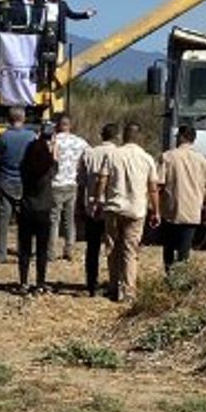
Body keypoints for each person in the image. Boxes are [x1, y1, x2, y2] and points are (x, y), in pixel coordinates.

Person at [96, 123, 160, 302]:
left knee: (113, 248)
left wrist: (98, 200)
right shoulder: (146, 158)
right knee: (130, 251)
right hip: (136, 210)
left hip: (114, 208)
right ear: (139, 137)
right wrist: (156, 211)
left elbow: (102, 180)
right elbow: (153, 188)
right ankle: (129, 291)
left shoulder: (113, 155)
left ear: (123, 136)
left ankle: (113, 286)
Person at [157, 125, 206, 273]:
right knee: (184, 251)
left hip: (170, 211)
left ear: (181, 137)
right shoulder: (203, 161)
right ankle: (180, 281)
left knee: (168, 248)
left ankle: (169, 277)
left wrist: (154, 209)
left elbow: (158, 185)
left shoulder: (167, 157)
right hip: (192, 213)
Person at [78, 122, 120, 297]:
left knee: (92, 246)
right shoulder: (119, 155)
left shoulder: (89, 153)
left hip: (92, 206)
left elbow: (80, 181)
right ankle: (114, 282)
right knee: (114, 246)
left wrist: (81, 204)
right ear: (116, 136)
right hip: (112, 205)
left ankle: (91, 283)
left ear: (101, 135)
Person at [0, 106, 36, 263]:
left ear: (8, 119)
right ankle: (24, 252)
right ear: (23, 119)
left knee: (3, 219)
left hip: (5, 181)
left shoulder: (3, 136)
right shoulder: (31, 136)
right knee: (25, 221)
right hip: (25, 182)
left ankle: (1, 253)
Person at [17, 123, 57, 293]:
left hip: (26, 208)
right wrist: (53, 153)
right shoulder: (48, 169)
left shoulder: (25, 168)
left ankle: (23, 281)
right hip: (43, 210)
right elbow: (55, 168)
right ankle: (40, 282)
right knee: (42, 249)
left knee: (25, 249)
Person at [32, 0, 95, 85]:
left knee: (54, 61)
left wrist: (86, 14)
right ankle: (39, 82)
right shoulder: (39, 2)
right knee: (41, 59)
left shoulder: (62, 4)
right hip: (42, 35)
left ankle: (50, 82)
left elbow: (72, 15)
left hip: (57, 36)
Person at [47, 113, 89, 263]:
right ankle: (69, 249)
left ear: (58, 125)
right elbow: (89, 159)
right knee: (70, 219)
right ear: (70, 125)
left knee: (54, 220)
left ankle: (51, 251)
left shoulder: (53, 141)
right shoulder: (80, 142)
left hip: (55, 184)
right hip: (72, 184)